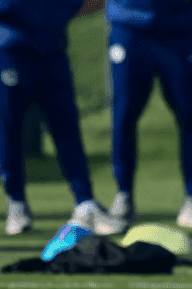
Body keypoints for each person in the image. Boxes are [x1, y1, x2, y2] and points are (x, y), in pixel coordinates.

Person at [0, 0, 126, 236]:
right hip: (10, 52)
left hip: (52, 52)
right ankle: (16, 202)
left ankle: (85, 203)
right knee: (9, 130)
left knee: (66, 128)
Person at [105, 0, 192, 229]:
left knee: (189, 115)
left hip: (179, 30)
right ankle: (123, 195)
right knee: (123, 115)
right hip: (129, 28)